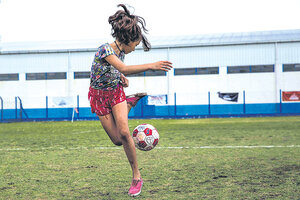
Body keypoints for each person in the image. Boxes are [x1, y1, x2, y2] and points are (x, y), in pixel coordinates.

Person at [88, 4, 172, 197]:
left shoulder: (122, 52)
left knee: (125, 133)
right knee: (117, 140)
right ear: (126, 40)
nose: (135, 48)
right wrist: (151, 66)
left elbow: (116, 70)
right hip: (99, 98)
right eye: (135, 44)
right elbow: (122, 68)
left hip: (116, 92)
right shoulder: (105, 50)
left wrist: (119, 78)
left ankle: (136, 176)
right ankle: (129, 103)